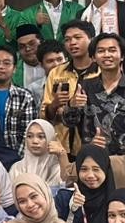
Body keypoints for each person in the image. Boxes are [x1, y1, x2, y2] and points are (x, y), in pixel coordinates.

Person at [62, 33, 125, 154]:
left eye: (112, 50)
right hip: (92, 156)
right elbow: (69, 123)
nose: (107, 55)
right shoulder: (85, 86)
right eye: (101, 51)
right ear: (93, 58)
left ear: (122, 56)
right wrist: (71, 105)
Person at [42, 20, 100, 156]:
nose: (72, 43)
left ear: (91, 39)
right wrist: (54, 104)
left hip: (95, 144)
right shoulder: (56, 73)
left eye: (77, 37)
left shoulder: (101, 71)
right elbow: (44, 115)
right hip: (61, 147)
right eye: (67, 39)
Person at [56, 146, 116, 223]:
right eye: (84, 169)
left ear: (105, 169)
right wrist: (72, 210)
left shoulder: (116, 201)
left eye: (96, 169)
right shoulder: (64, 198)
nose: (90, 175)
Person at [11, 119, 66, 189]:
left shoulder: (59, 170)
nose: (35, 141)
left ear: (50, 139)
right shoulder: (16, 168)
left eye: (41, 137)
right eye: (29, 136)